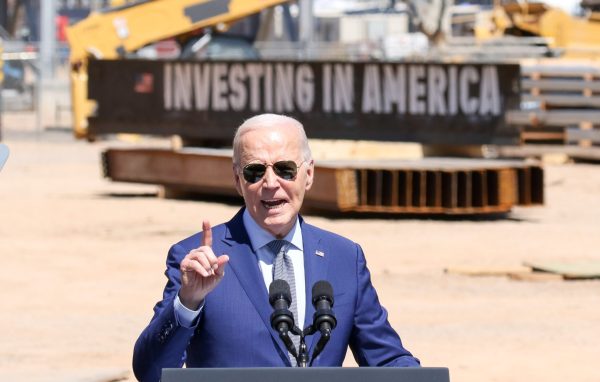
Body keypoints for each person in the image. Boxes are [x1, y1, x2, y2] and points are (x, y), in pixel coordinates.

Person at [132, 114, 420, 382]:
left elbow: (387, 360)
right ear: (237, 180)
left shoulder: (344, 257)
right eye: (255, 172)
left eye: (285, 169)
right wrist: (188, 302)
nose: (271, 183)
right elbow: (151, 372)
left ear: (308, 174)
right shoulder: (197, 260)